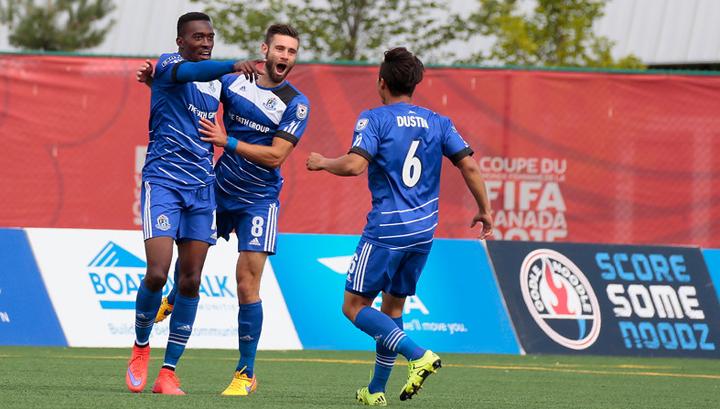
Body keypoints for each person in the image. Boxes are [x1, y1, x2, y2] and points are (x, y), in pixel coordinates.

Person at [306, 47, 493, 406]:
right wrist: (484, 210)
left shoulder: (374, 119)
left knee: (353, 306)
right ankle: (376, 391)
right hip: (423, 231)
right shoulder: (438, 121)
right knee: (392, 310)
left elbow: (354, 166)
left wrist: (323, 162)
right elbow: (468, 165)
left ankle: (418, 354)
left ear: (381, 82)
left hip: (387, 231)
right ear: (415, 84)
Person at [138, 24, 310, 396]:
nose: (284, 56)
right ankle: (172, 299)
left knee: (247, 285)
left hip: (258, 201)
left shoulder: (296, 102)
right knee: (190, 273)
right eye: (279, 48)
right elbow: (189, 90)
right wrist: (155, 82)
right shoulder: (233, 82)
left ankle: (245, 373)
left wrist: (226, 140)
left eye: (291, 52)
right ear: (265, 49)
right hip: (217, 189)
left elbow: (277, 156)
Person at [125, 12, 261, 395]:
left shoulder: (218, 83)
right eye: (198, 37)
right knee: (157, 272)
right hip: (163, 183)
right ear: (181, 41)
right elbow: (190, 75)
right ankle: (140, 347)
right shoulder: (171, 65)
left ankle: (168, 373)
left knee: (191, 281)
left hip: (202, 189)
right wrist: (233, 64)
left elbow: (250, 106)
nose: (205, 43)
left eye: (210, 37)